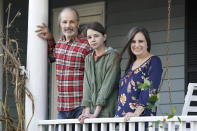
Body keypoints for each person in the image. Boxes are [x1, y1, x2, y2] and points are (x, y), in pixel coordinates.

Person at [35, 7, 92, 120]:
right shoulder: (60, 44)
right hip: (62, 108)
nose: (68, 25)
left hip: (80, 107)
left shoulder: (86, 46)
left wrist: (88, 106)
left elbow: (93, 78)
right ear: (60, 24)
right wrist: (50, 38)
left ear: (78, 23)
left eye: (72, 21)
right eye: (64, 22)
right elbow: (51, 57)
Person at [115, 26, 163, 130]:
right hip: (124, 121)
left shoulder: (153, 61)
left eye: (141, 41)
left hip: (140, 120)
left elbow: (151, 89)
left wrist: (136, 113)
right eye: (133, 41)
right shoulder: (132, 65)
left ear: (147, 43)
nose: (137, 45)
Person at [78, 22, 121, 124]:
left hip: (107, 111)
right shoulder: (88, 58)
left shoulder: (113, 56)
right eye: (89, 37)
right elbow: (87, 85)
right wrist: (87, 112)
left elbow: (107, 86)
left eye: (96, 36)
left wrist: (96, 113)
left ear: (104, 37)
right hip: (91, 113)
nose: (92, 40)